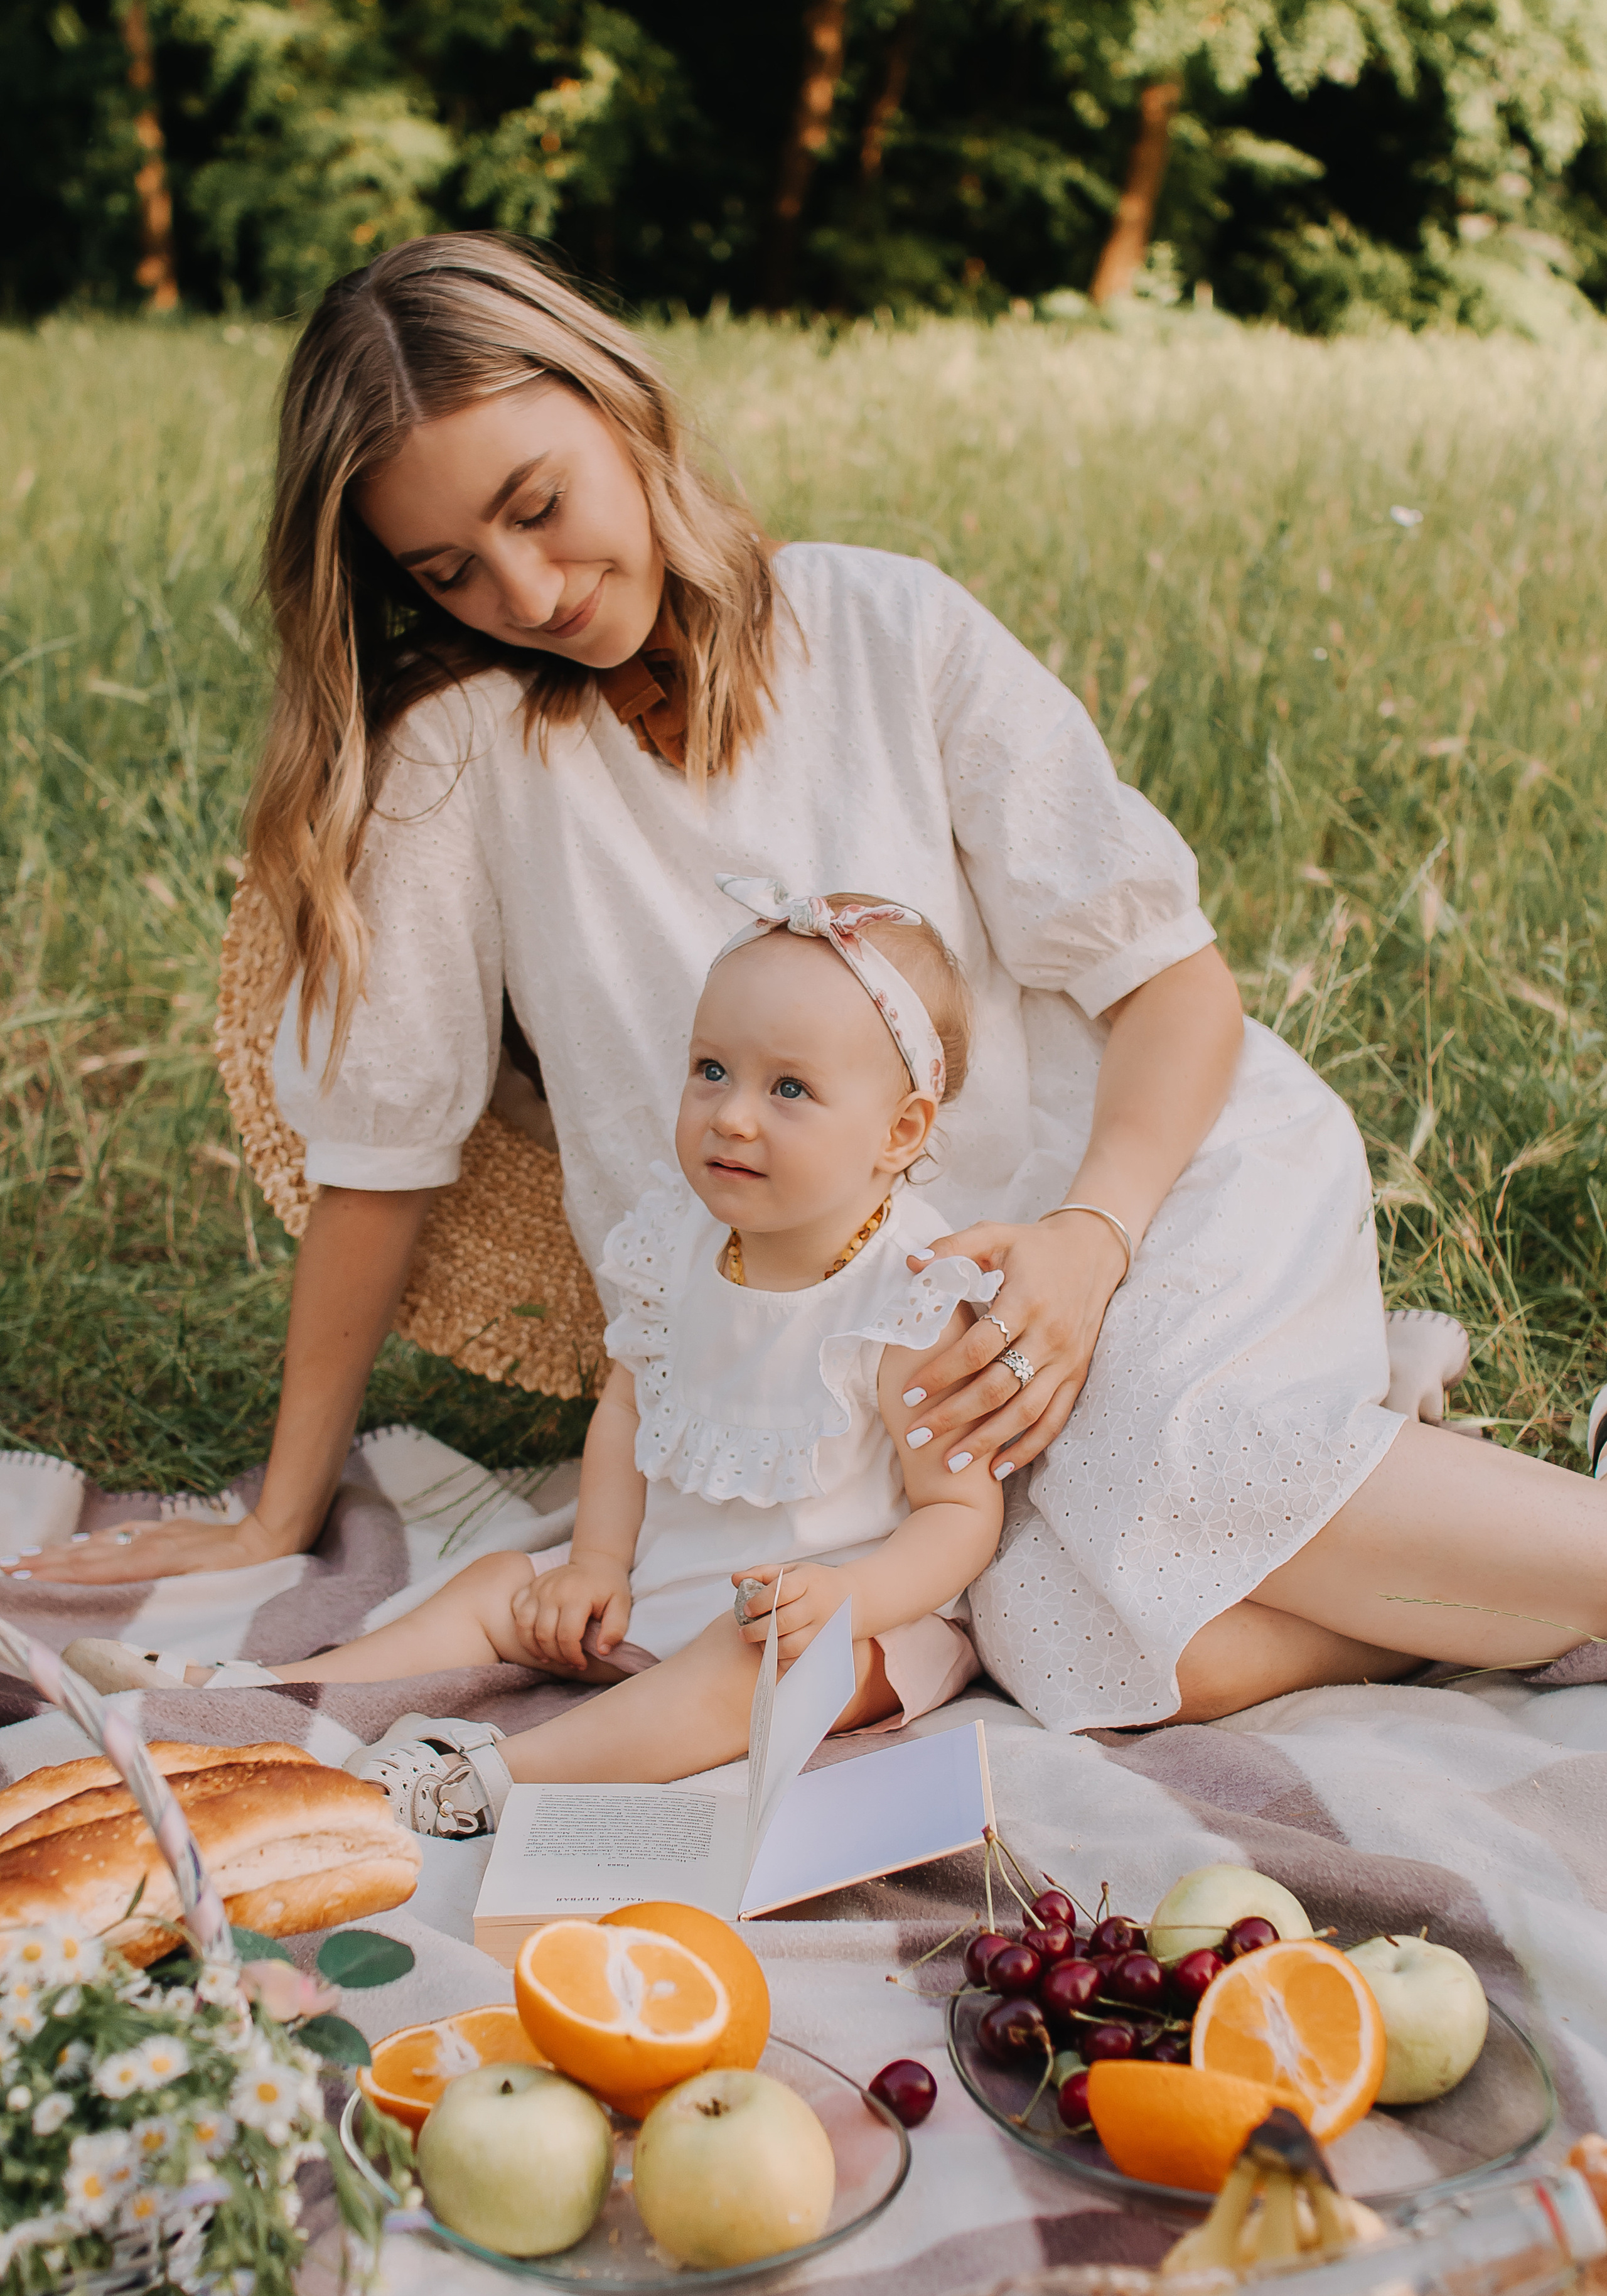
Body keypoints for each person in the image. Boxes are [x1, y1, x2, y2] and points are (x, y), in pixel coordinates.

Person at [16, 232, 1607, 1731]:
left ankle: (1403, 1482)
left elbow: (1171, 987)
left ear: (616, 402)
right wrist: (279, 1514)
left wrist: (1083, 1246)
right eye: (446, 570)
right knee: (1091, 1649)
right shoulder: (461, 762)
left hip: (1127, 1191)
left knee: (1163, 1465)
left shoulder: (885, 626)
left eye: (537, 502)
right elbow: (383, 1151)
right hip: (889, 1353)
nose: (524, 589)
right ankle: (1413, 1500)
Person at [63, 891, 1006, 1832]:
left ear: (901, 1132)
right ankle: (271, 1689)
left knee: (753, 1670)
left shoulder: (907, 1300)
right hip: (667, 1582)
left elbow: (960, 1514)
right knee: (502, 1586)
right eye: (711, 1071)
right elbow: (627, 1411)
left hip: (844, 1628)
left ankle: (486, 1779)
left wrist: (850, 1595)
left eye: (788, 1089)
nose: (733, 1118)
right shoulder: (679, 1247)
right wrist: (596, 1562)